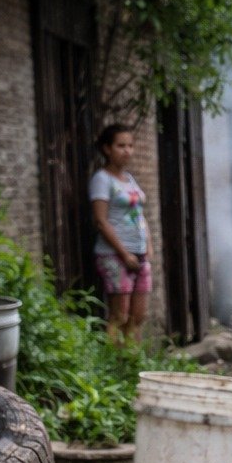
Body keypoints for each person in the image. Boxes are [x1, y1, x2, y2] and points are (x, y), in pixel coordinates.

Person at [89, 124, 151, 343]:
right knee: (119, 315)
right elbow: (101, 220)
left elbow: (139, 214)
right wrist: (124, 254)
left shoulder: (130, 179)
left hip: (139, 254)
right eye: (121, 146)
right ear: (107, 149)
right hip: (114, 255)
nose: (127, 151)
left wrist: (148, 245)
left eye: (130, 146)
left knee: (139, 315)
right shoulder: (102, 179)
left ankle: (132, 364)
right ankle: (113, 366)